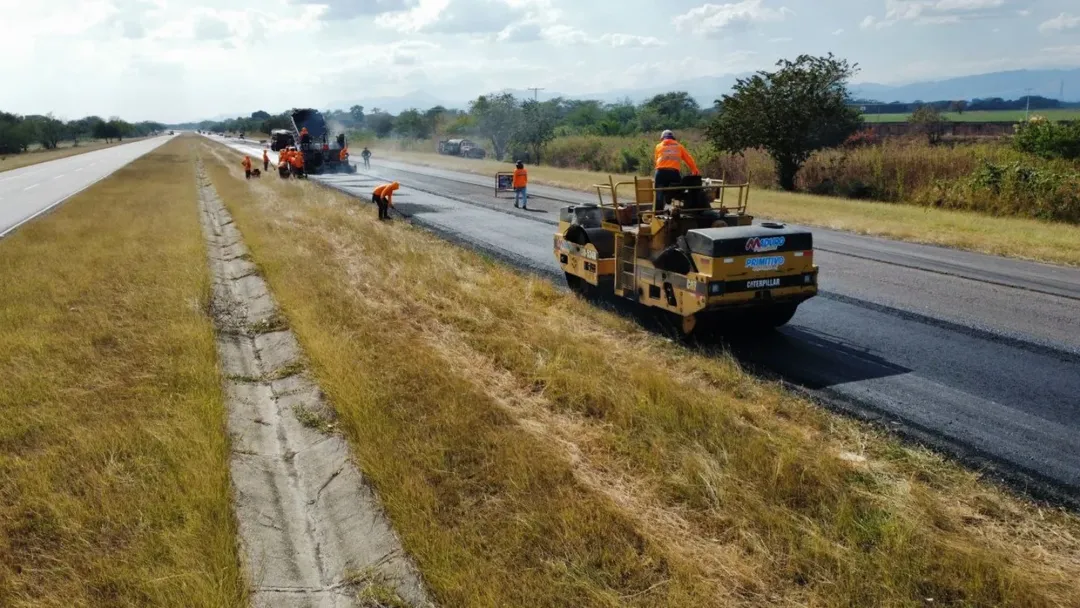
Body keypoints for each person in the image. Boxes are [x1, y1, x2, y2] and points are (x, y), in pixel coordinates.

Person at [653, 129, 700, 212]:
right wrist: (694, 170)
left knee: (658, 193)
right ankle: (670, 196)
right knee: (678, 189)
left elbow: (656, 160)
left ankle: (658, 212)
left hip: (660, 173)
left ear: (662, 138)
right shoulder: (679, 146)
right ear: (673, 138)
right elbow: (688, 159)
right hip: (673, 173)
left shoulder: (658, 146)